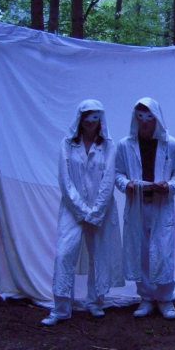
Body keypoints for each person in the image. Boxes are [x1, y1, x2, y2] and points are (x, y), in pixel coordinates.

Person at [42, 99, 123, 326]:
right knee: (64, 254)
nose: (90, 121)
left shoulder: (109, 146)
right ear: (79, 117)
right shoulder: (67, 144)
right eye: (86, 115)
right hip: (71, 209)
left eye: (95, 116)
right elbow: (65, 180)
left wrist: (95, 212)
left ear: (100, 119)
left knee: (99, 255)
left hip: (102, 209)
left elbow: (108, 180)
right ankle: (61, 308)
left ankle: (95, 302)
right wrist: (82, 209)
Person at [115, 98, 175, 320]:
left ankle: (165, 299)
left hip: (161, 206)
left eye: (149, 117)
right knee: (142, 253)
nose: (145, 122)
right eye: (140, 117)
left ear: (157, 118)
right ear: (135, 118)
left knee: (163, 253)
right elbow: (117, 173)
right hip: (137, 205)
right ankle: (146, 297)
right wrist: (125, 184)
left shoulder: (171, 145)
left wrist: (169, 186)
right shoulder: (125, 145)